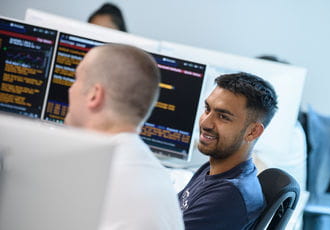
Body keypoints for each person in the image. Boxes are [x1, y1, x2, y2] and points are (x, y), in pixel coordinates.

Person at [64, 44, 183, 229]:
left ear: (95, 95)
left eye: (76, 79)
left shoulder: (94, 177)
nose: (70, 90)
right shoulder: (159, 176)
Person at [178, 72, 278, 230]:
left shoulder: (229, 196)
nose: (206, 122)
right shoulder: (215, 168)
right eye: (207, 109)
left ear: (253, 132)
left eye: (223, 117)